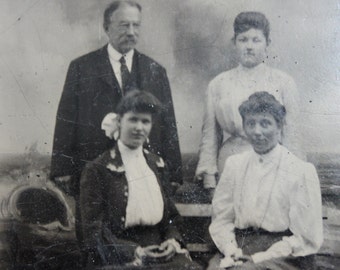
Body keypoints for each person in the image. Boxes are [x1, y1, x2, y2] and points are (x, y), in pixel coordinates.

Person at [50, 0, 182, 198]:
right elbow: (66, 120)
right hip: (92, 171)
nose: (131, 32)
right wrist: (61, 169)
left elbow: (167, 123)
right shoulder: (82, 68)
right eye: (123, 25)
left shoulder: (155, 71)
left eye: (136, 25)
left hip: (143, 172)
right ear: (106, 28)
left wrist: (174, 174)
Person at [79, 90, 199, 269]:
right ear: (119, 121)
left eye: (145, 121)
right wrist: (134, 251)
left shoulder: (157, 165)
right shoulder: (98, 169)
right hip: (118, 256)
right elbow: (93, 231)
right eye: (133, 120)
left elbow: (170, 217)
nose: (139, 128)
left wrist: (172, 241)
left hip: (159, 251)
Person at [208, 92, 323, 269]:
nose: (257, 132)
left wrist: (260, 258)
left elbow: (305, 237)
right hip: (240, 246)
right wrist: (230, 249)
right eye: (250, 123)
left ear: (279, 126)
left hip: (285, 253)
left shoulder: (300, 170)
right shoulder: (235, 165)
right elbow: (222, 219)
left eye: (265, 123)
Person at [196, 11, 302, 189]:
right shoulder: (218, 84)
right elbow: (210, 134)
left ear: (267, 44)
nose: (249, 46)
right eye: (243, 40)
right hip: (231, 162)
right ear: (234, 43)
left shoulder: (284, 82)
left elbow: (293, 134)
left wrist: (293, 175)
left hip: (273, 162)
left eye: (256, 40)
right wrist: (209, 176)